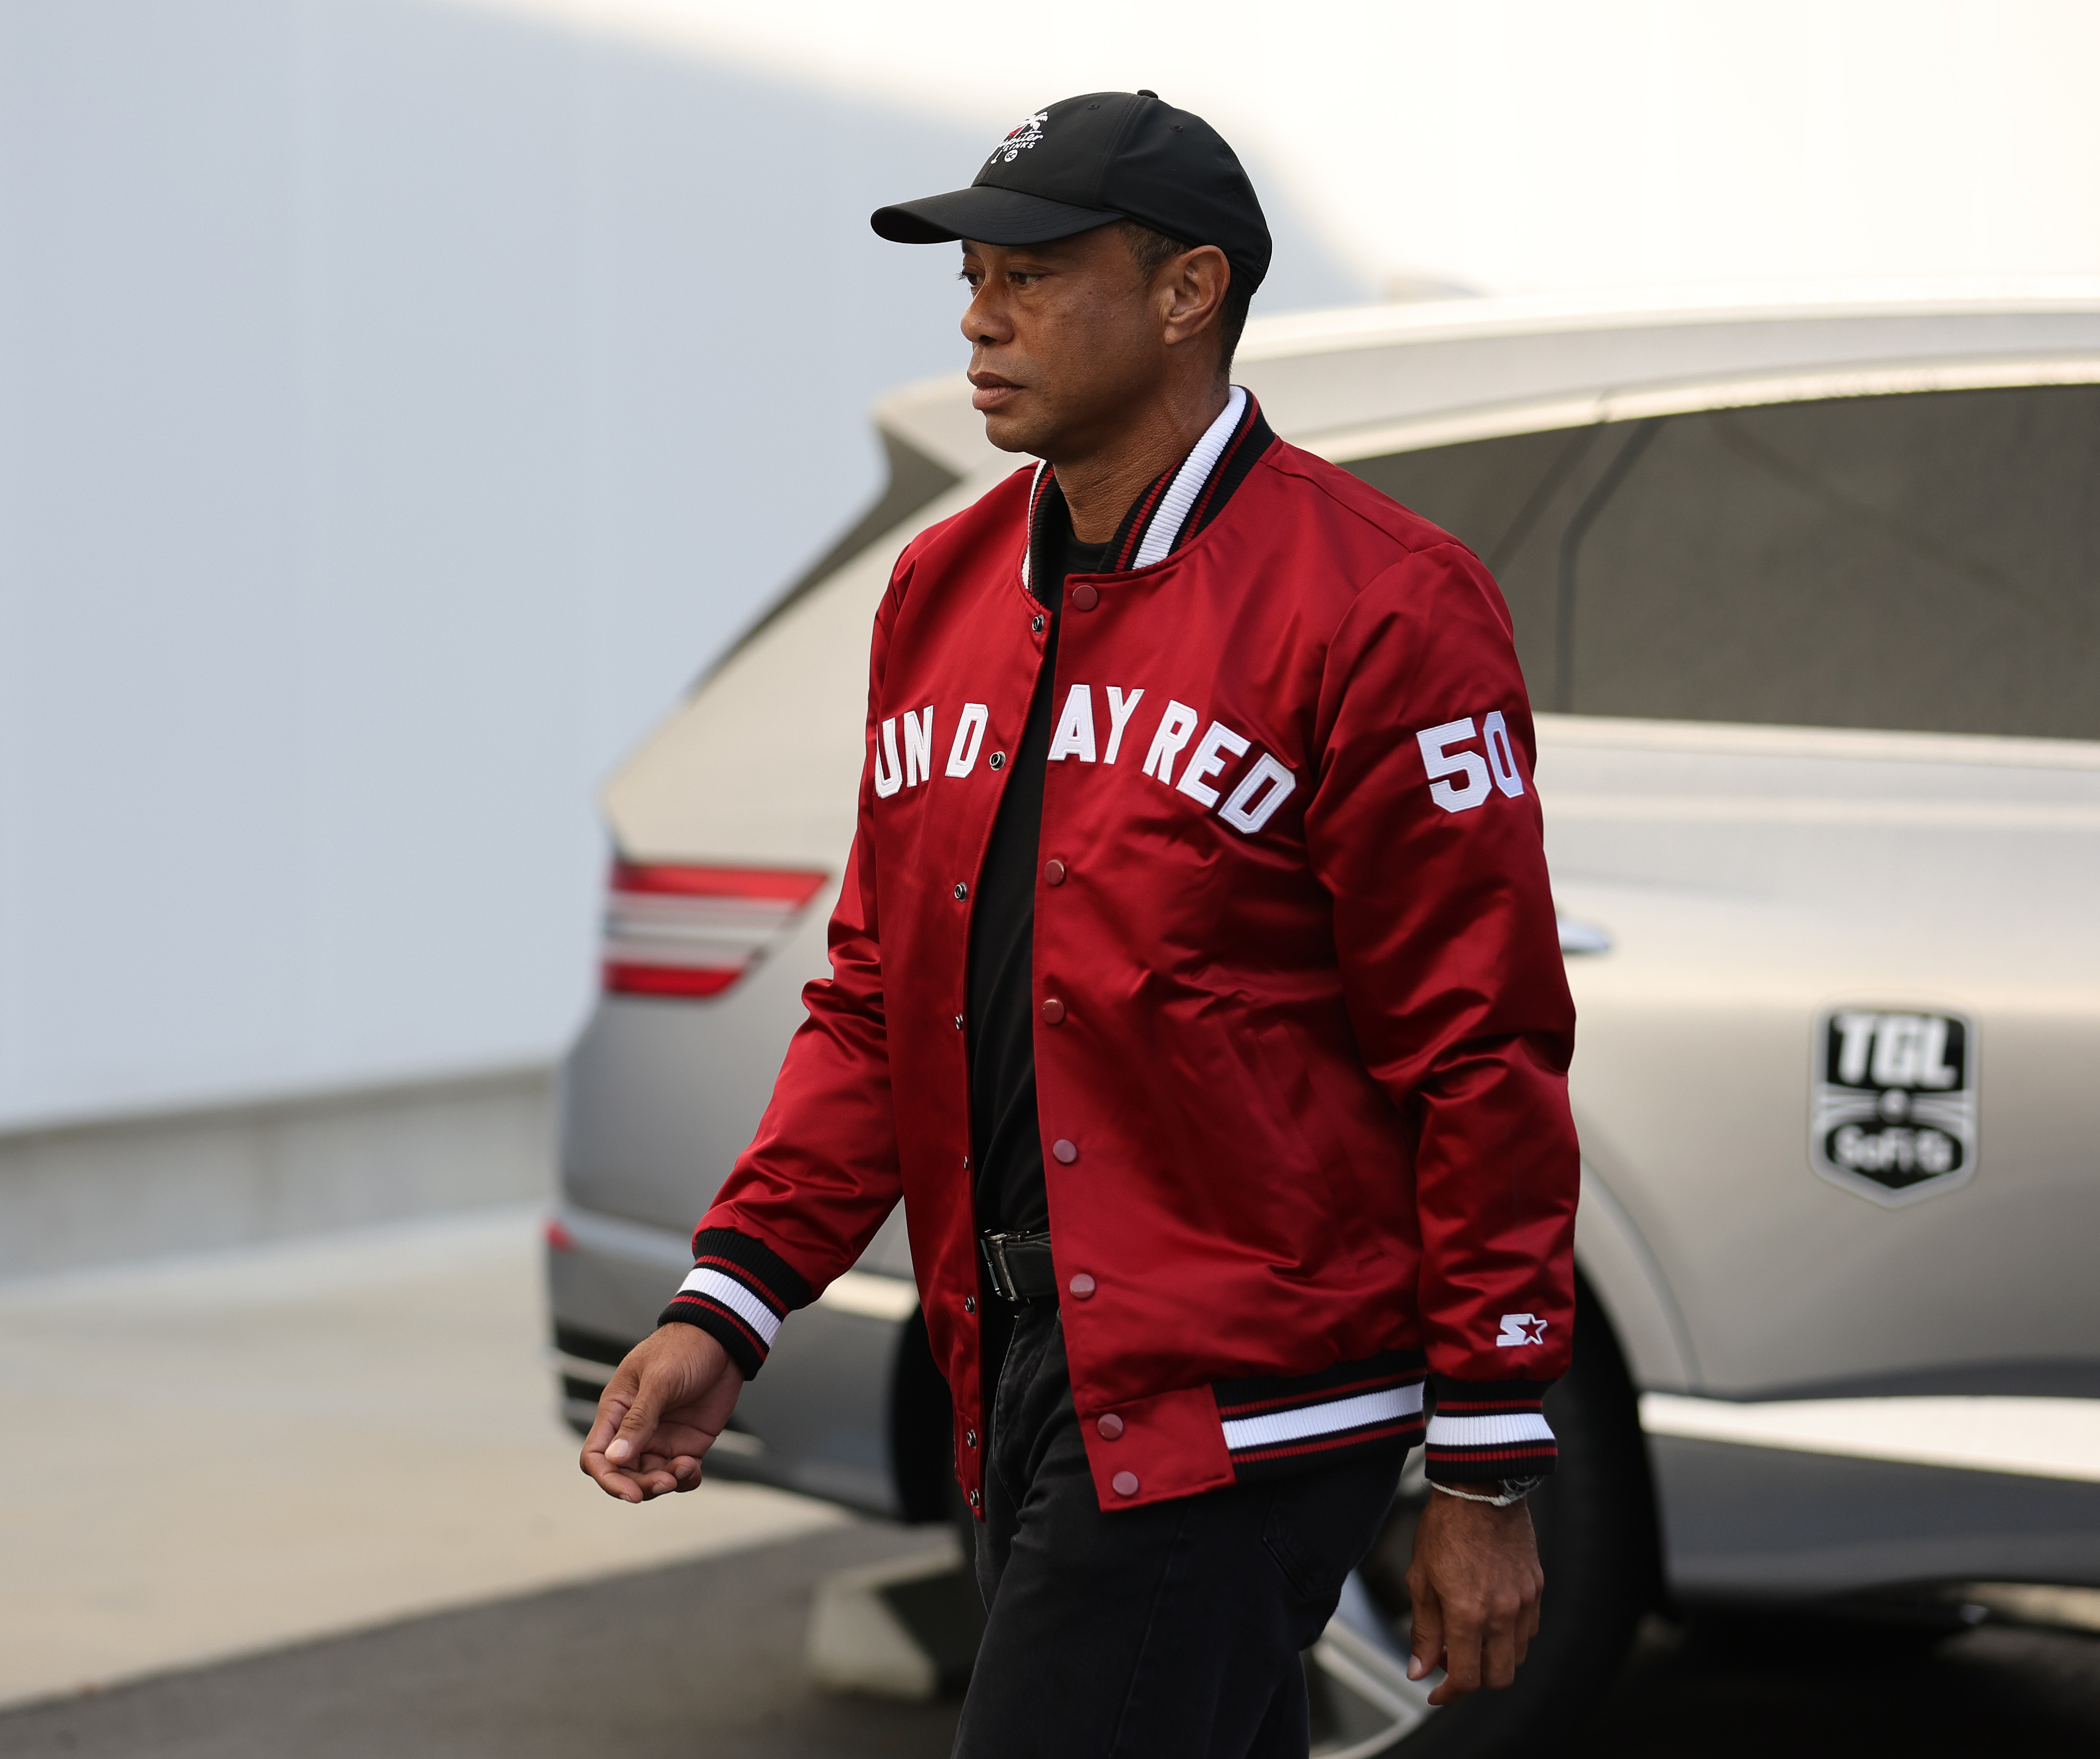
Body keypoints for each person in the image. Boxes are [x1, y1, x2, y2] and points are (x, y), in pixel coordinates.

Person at [582, 90, 1578, 1757]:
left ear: (1188, 292)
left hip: (1249, 1400)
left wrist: (1482, 1461)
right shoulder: (941, 588)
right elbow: (881, 994)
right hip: (1017, 1366)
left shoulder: (1384, 602)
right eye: (970, 273)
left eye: (1031, 274)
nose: (979, 314)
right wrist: (732, 1297)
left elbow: (1480, 1054)